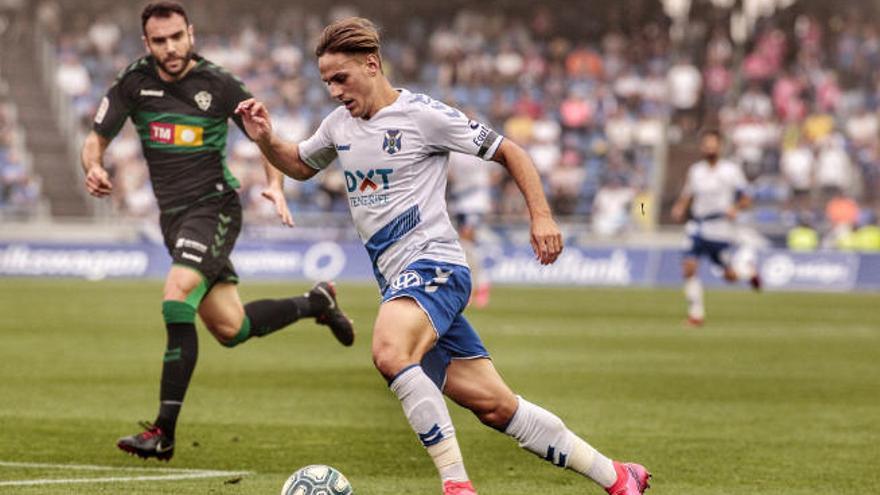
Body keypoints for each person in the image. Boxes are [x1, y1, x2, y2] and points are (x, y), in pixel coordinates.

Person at [236, 17, 650, 495]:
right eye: (326, 81)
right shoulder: (338, 125)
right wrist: (265, 136)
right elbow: (300, 164)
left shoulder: (423, 115)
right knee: (497, 406)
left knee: (390, 351)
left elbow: (509, 150)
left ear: (372, 65)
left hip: (435, 265)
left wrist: (541, 216)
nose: (332, 90)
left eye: (340, 78)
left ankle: (456, 487)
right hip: (400, 283)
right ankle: (618, 476)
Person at [79, 1, 354, 461]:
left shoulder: (219, 84)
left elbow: (262, 135)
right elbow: (96, 138)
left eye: (177, 37)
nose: (170, 48)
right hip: (173, 220)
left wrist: (274, 187)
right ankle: (316, 302)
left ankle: (163, 431)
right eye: (160, 41)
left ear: (191, 33)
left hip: (214, 208)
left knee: (175, 296)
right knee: (232, 327)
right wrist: (93, 166)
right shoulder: (133, 81)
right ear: (147, 43)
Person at [671, 130, 761, 327]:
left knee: (728, 276)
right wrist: (680, 207)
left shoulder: (731, 170)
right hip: (697, 224)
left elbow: (746, 197)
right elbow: (688, 194)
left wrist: (736, 208)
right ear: (702, 147)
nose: (709, 148)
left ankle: (748, 272)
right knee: (688, 267)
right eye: (706, 144)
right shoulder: (696, 170)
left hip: (720, 228)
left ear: (720, 146)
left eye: (713, 144)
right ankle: (696, 315)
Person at [447, 151, 493, 308]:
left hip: (475, 202)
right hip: (459, 201)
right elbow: (449, 173)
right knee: (465, 246)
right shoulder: (452, 147)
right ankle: (476, 286)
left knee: (467, 242)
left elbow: (495, 170)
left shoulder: (477, 138)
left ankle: (480, 285)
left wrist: (482, 188)